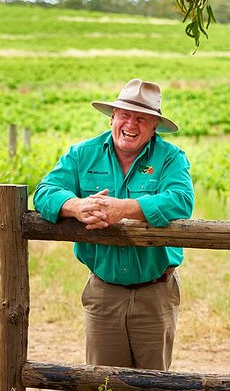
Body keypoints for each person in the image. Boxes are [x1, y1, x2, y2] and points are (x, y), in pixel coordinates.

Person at [33, 78, 194, 371]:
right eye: (125, 115)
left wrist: (125, 209)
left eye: (142, 118)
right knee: (102, 383)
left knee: (153, 384)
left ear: (154, 126)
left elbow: (181, 200)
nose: (131, 124)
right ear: (112, 118)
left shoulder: (171, 158)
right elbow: (44, 192)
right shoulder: (82, 154)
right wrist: (77, 206)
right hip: (103, 292)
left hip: (155, 293)